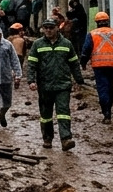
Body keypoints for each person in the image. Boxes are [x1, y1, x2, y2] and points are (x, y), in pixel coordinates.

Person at [26, 18, 86, 151]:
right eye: (45, 27)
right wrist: (31, 81)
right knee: (46, 115)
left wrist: (79, 80)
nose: (48, 30)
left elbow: (74, 64)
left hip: (63, 85)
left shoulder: (67, 44)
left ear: (57, 28)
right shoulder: (37, 45)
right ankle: (47, 138)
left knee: (63, 112)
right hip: (44, 86)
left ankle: (66, 139)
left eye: (51, 27)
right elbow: (31, 65)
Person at [79, 11, 113, 124]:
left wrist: (83, 63)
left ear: (97, 22)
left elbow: (86, 50)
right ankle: (108, 110)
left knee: (102, 88)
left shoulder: (92, 34)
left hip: (99, 66)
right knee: (110, 88)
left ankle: (106, 114)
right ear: (108, 21)